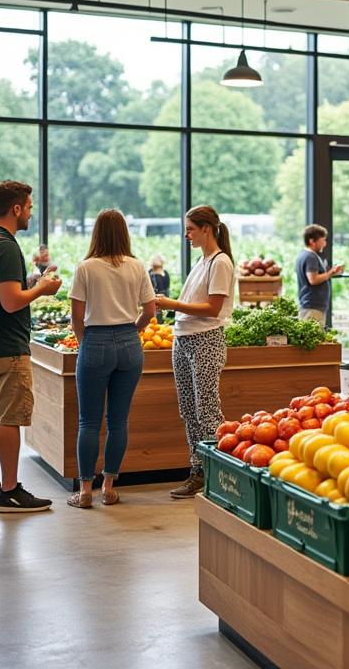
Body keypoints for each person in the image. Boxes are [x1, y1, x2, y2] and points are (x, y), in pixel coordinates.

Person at [0, 181, 61, 513]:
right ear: (17, 208)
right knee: (10, 419)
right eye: (30, 206)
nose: (31, 212)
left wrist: (32, 283)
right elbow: (11, 303)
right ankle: (9, 490)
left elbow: (1, 292)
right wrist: (43, 290)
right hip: (9, 346)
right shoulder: (7, 246)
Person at [67, 209, 157, 509]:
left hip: (96, 341)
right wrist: (133, 331)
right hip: (130, 344)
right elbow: (150, 311)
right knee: (118, 421)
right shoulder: (137, 266)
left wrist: (85, 343)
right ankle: (108, 486)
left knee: (89, 422)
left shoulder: (86, 268)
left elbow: (76, 318)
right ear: (124, 233)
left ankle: (84, 492)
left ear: (96, 233)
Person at [155, 205, 235, 499]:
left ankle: (219, 472)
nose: (186, 234)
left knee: (207, 409)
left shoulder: (220, 262)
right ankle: (198, 470)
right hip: (185, 338)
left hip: (205, 340)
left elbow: (213, 308)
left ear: (206, 228)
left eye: (190, 228)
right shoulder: (203, 261)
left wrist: (172, 304)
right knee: (189, 410)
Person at [296, 224, 344, 325]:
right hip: (312, 306)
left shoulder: (304, 255)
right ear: (312, 241)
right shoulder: (310, 257)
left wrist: (332, 273)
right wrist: (330, 273)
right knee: (313, 338)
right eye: (323, 240)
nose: (325, 244)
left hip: (311, 306)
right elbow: (313, 279)